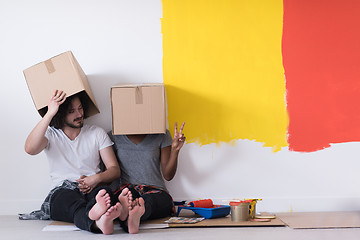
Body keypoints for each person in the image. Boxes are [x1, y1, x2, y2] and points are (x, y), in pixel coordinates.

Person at [22, 89, 132, 235]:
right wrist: (50, 112)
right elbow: (30, 149)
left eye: (80, 108)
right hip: (63, 191)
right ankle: (96, 219)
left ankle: (99, 220)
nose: (79, 114)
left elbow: (114, 169)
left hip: (93, 189)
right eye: (71, 111)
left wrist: (96, 179)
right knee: (68, 202)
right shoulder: (51, 135)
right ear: (60, 114)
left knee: (105, 194)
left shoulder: (96, 133)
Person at [109, 122, 186, 233]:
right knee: (128, 197)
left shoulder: (162, 134)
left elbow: (168, 175)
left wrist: (175, 151)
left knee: (149, 201)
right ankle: (132, 214)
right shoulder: (114, 135)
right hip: (127, 189)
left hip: (156, 191)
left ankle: (135, 213)